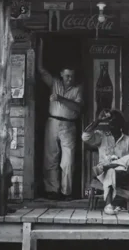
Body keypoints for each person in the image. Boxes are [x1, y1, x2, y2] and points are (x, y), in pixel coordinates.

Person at [38, 44, 83, 201]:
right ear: (61, 75)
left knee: (68, 160)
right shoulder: (55, 83)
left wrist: (60, 99)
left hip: (69, 124)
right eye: (67, 76)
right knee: (50, 158)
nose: (69, 79)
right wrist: (40, 46)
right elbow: (41, 70)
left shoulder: (78, 88)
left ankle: (66, 192)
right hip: (52, 122)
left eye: (72, 76)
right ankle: (52, 190)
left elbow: (77, 107)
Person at [82, 109, 129, 215]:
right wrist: (97, 120)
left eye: (115, 121)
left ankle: (109, 165)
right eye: (110, 121)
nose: (111, 123)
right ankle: (108, 205)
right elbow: (85, 137)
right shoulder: (101, 136)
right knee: (111, 171)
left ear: (121, 124)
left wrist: (122, 169)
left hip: (120, 172)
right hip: (102, 173)